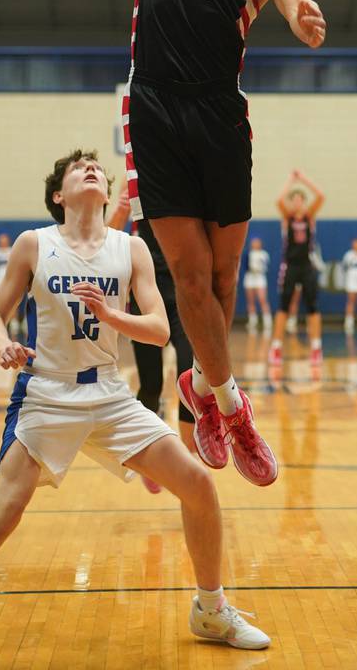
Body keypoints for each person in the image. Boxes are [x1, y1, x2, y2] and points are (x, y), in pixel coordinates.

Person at [0, 150, 269, 668]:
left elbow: (162, 330)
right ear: (60, 194)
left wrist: (110, 315)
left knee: (199, 486)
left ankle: (211, 609)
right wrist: (1, 345)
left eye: (97, 167)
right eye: (79, 169)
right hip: (47, 393)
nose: (92, 170)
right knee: (5, 507)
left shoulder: (132, 248)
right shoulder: (35, 244)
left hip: (109, 394)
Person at [123, 0, 326, 487]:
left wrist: (302, 11)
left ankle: (201, 387)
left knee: (222, 274)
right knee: (185, 272)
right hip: (151, 104)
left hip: (218, 111)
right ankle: (228, 407)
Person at [107, 173, 197, 495]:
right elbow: (108, 240)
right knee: (150, 384)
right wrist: (119, 211)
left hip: (181, 294)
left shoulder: (185, 178)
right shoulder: (133, 182)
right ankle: (153, 457)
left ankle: (189, 460)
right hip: (145, 296)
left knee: (188, 372)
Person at [268, 170, 326, 370]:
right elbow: (278, 200)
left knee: (313, 307)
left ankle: (316, 347)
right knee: (283, 306)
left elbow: (321, 196)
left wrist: (304, 180)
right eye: (295, 200)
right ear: (292, 202)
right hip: (290, 266)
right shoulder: (287, 218)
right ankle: (276, 347)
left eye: (301, 200)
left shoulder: (310, 218)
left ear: (305, 202)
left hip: (307, 266)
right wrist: (291, 182)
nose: (298, 203)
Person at [243, 237, 272, 334]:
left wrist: (258, 268)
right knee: (250, 301)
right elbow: (245, 266)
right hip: (250, 278)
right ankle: (253, 321)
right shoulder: (248, 254)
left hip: (260, 278)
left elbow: (265, 266)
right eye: (254, 243)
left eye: (257, 243)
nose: (255, 244)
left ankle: (267, 321)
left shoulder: (264, 254)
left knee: (262, 299)